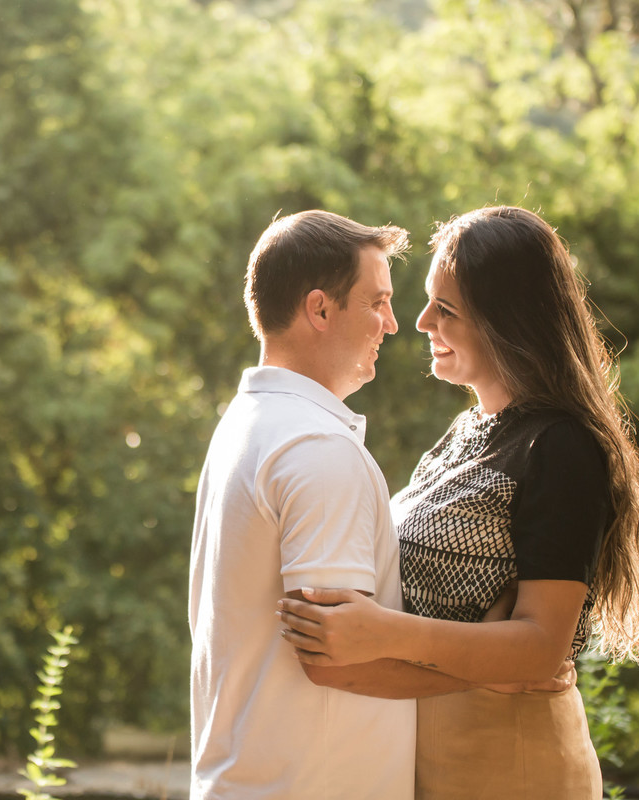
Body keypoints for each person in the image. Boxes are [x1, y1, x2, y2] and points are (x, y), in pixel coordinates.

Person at [278, 205, 639, 798]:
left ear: (510, 321)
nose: (421, 321)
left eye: (446, 309)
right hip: (436, 752)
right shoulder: (466, 432)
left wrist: (385, 633)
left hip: (510, 758)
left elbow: (541, 648)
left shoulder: (561, 447)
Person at [190, 209, 440, 800]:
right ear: (320, 309)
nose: (393, 324)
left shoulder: (246, 425)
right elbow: (336, 659)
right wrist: (492, 677)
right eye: (377, 302)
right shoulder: (316, 446)